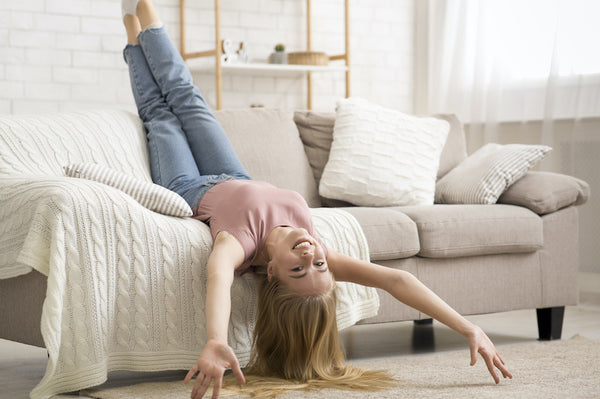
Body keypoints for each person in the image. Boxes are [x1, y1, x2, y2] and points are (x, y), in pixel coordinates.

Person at [121, 1, 513, 398]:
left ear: (271, 273)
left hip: (189, 184)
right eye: (320, 264)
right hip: (234, 173)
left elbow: (218, 278)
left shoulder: (239, 245)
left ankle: (132, 28)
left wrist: (215, 339)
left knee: (162, 114)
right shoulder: (314, 245)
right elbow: (397, 280)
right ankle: (142, 16)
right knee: (189, 99)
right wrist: (468, 326)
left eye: (298, 270)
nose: (311, 255)